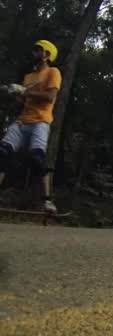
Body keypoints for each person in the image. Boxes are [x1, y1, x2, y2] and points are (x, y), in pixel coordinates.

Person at [0, 40, 62, 213]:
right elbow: (22, 101)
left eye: (38, 50)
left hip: (40, 121)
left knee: (37, 158)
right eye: (33, 50)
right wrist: (12, 92)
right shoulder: (28, 77)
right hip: (22, 121)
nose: (34, 53)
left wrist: (24, 91)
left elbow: (50, 97)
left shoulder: (53, 72)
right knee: (2, 153)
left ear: (47, 54)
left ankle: (47, 201)